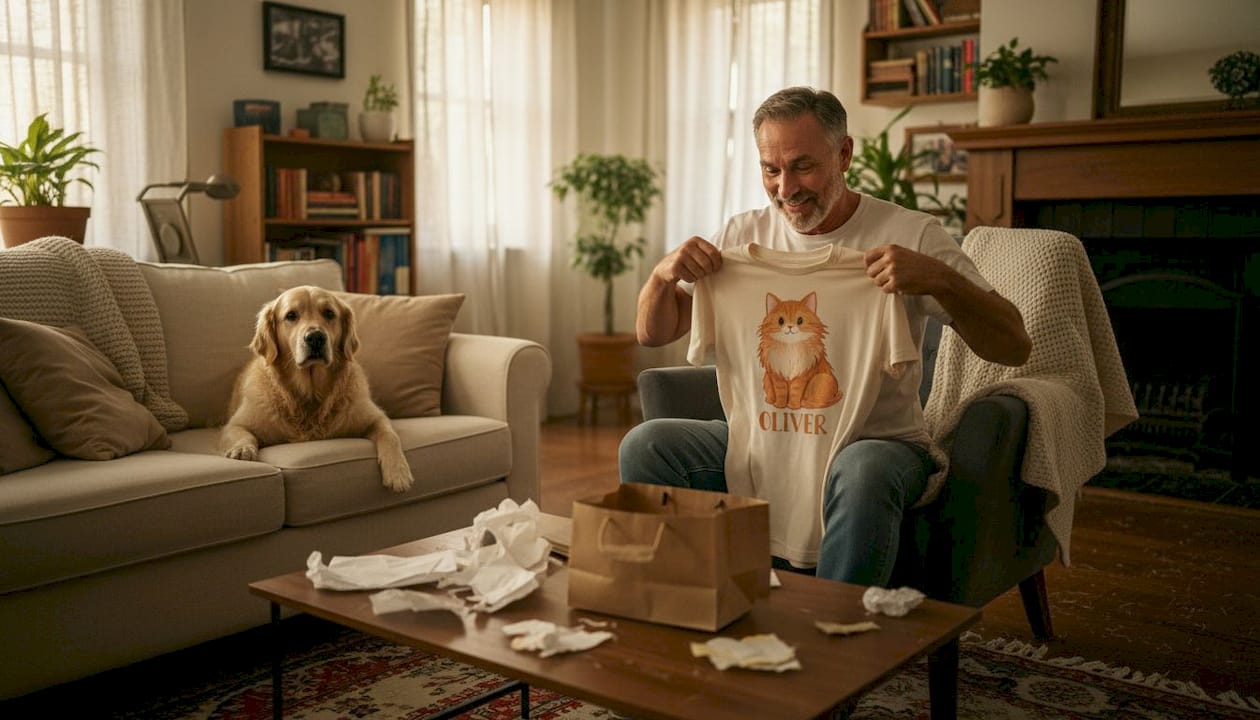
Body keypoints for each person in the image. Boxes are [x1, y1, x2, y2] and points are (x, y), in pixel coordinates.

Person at [619, 86, 1031, 586]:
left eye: (802, 166)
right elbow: (650, 332)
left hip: (877, 444)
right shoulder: (741, 237)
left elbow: (1014, 345)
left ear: (844, 154)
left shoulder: (912, 234)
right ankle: (697, 606)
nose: (786, 187)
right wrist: (662, 276)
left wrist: (940, 279)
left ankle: (836, 646)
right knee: (647, 444)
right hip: (762, 444)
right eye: (771, 169)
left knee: (862, 470)